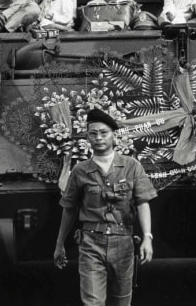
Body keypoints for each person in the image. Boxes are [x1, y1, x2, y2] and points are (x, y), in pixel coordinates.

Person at [54, 108, 156, 306]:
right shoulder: (80, 170)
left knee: (121, 302)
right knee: (92, 302)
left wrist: (147, 237)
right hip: (91, 243)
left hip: (123, 244)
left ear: (113, 136)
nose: (98, 138)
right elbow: (69, 209)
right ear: (87, 137)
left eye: (104, 132)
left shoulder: (131, 166)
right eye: (93, 133)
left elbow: (143, 202)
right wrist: (59, 244)